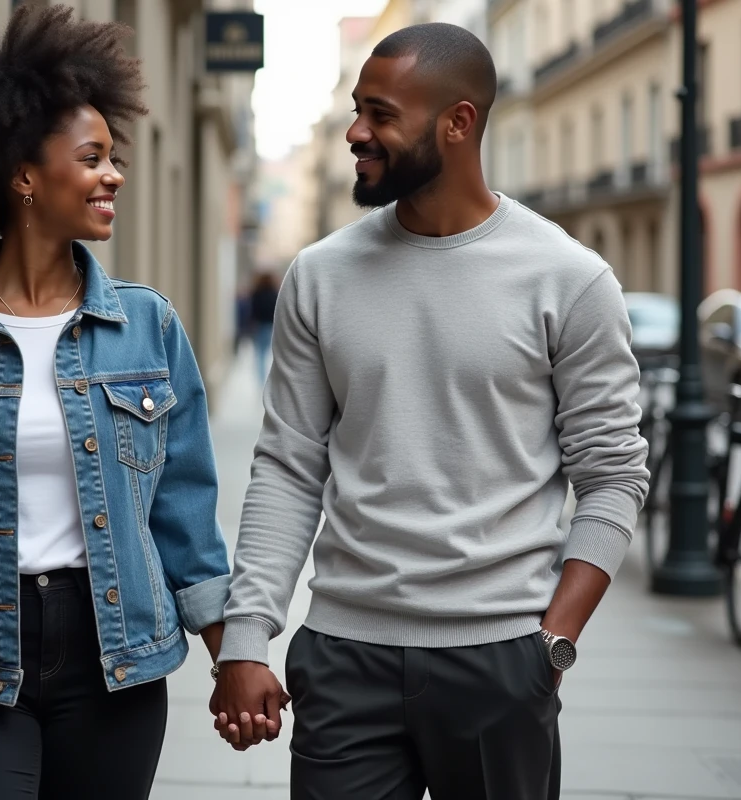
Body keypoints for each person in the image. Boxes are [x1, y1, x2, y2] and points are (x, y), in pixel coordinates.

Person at [211, 23, 649, 800]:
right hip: (345, 655)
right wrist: (245, 640)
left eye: (380, 114)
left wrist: (552, 645)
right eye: (355, 111)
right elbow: (288, 465)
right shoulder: (320, 277)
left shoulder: (569, 279)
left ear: (458, 122)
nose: (356, 133)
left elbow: (612, 477)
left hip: (501, 660)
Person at [0, 5, 232, 799]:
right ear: (23, 176)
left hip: (118, 653)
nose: (114, 176)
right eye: (93, 157)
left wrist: (230, 656)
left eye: (115, 157)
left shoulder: (148, 325)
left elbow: (183, 509)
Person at [248, 271, 280, 385]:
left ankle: (262, 381)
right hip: (271, 327)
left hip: (259, 326)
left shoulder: (256, 293)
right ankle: (270, 380)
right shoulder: (275, 294)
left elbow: (252, 311)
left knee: (260, 354)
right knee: (271, 354)